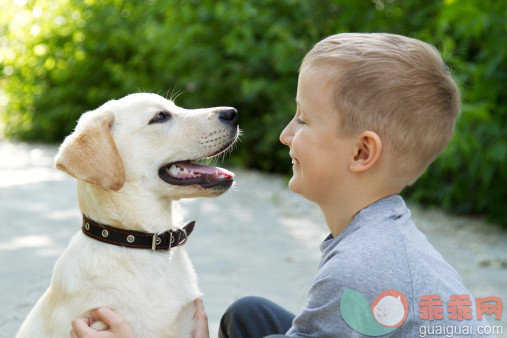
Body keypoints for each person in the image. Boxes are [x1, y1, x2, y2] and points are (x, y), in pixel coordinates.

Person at [71, 33, 493, 337]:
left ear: (362, 153)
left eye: (303, 120)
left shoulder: (360, 270)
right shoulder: (381, 236)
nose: (284, 134)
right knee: (248, 315)